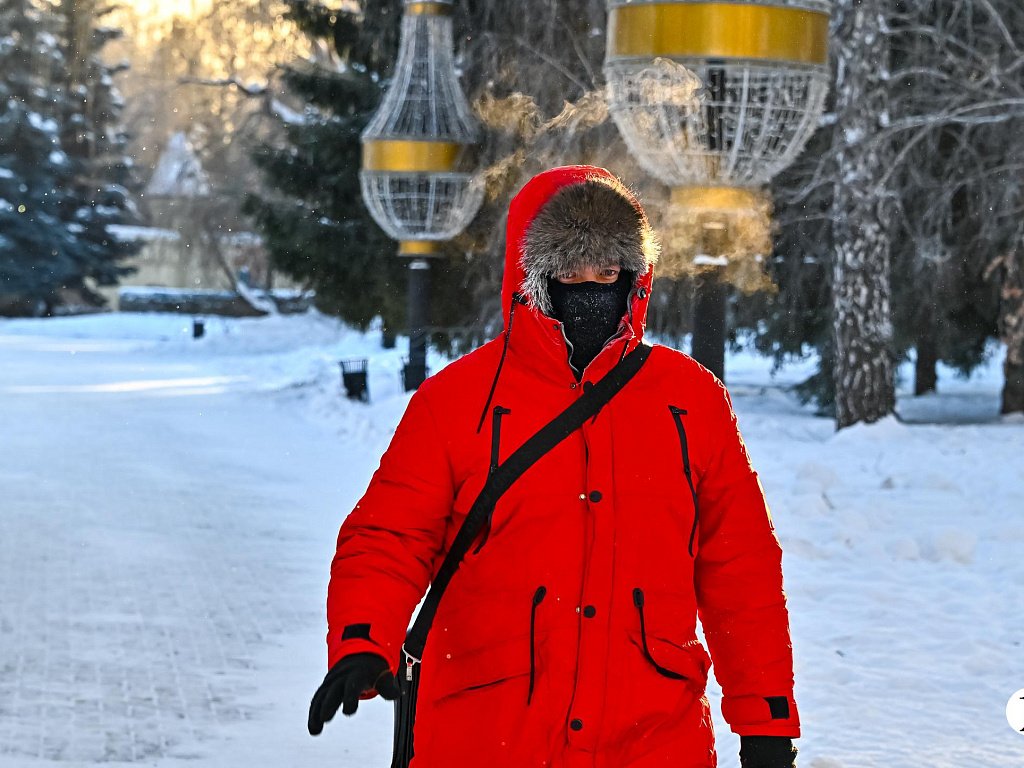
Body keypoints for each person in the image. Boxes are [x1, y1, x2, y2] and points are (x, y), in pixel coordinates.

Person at [308, 165, 801, 768]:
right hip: (487, 733)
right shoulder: (459, 400)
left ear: (634, 278)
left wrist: (766, 719)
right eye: (569, 273)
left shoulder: (690, 401)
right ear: (532, 277)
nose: (590, 290)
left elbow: (739, 568)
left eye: (607, 273)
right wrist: (362, 638)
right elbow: (391, 534)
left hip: (650, 734)